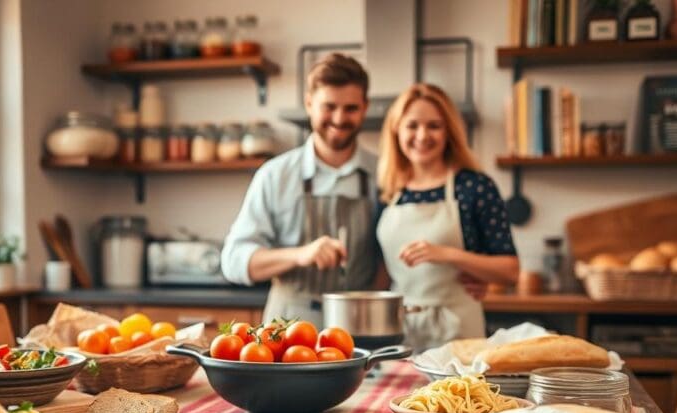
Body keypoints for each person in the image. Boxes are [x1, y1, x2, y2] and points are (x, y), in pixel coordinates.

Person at [221, 53, 378, 326]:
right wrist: (300, 254)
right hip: (289, 328)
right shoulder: (275, 175)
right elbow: (234, 262)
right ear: (309, 104)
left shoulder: (383, 174)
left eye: (350, 108)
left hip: (361, 325)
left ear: (365, 108)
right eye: (329, 106)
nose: (339, 119)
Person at [375, 83, 519, 350]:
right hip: (399, 333)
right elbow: (384, 270)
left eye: (434, 126)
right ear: (396, 130)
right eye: (412, 125)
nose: (422, 135)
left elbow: (510, 271)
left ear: (449, 132)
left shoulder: (475, 187)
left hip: (458, 331)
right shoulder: (388, 192)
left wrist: (447, 254)